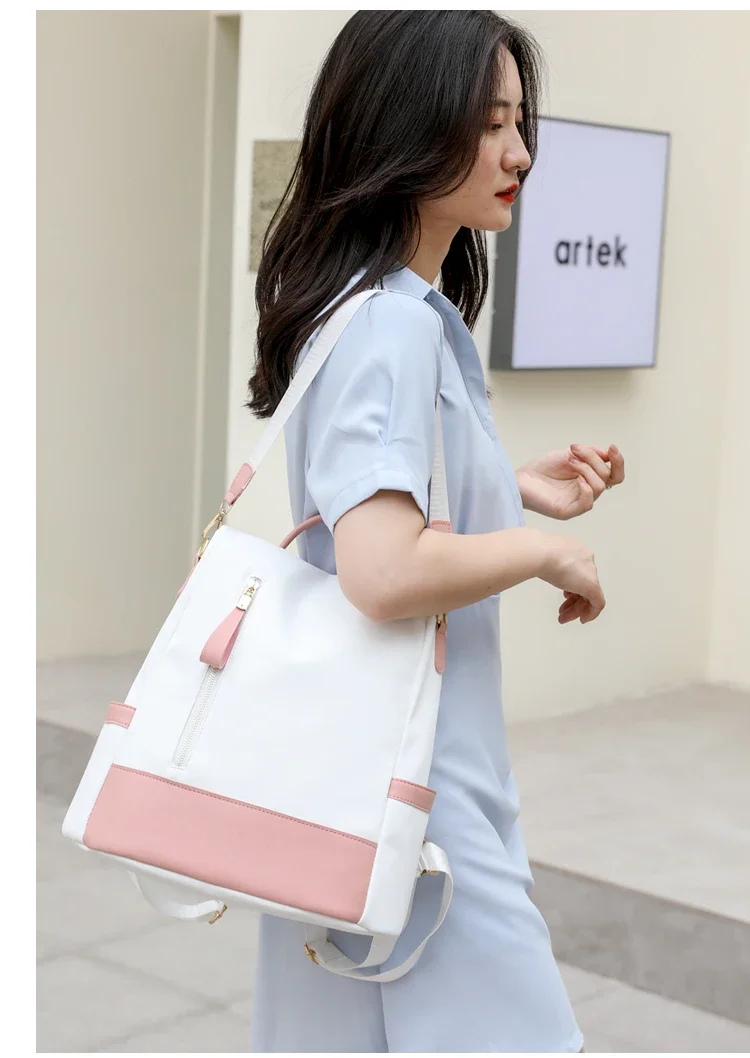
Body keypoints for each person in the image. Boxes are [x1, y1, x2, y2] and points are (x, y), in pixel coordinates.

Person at [245, 10, 624, 1053]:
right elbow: (382, 568)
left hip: (360, 783)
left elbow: (383, 513)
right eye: (491, 123)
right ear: (407, 128)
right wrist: (550, 551)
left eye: (519, 121)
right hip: (422, 807)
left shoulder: (374, 307)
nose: (521, 151)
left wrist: (510, 487)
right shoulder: (391, 325)